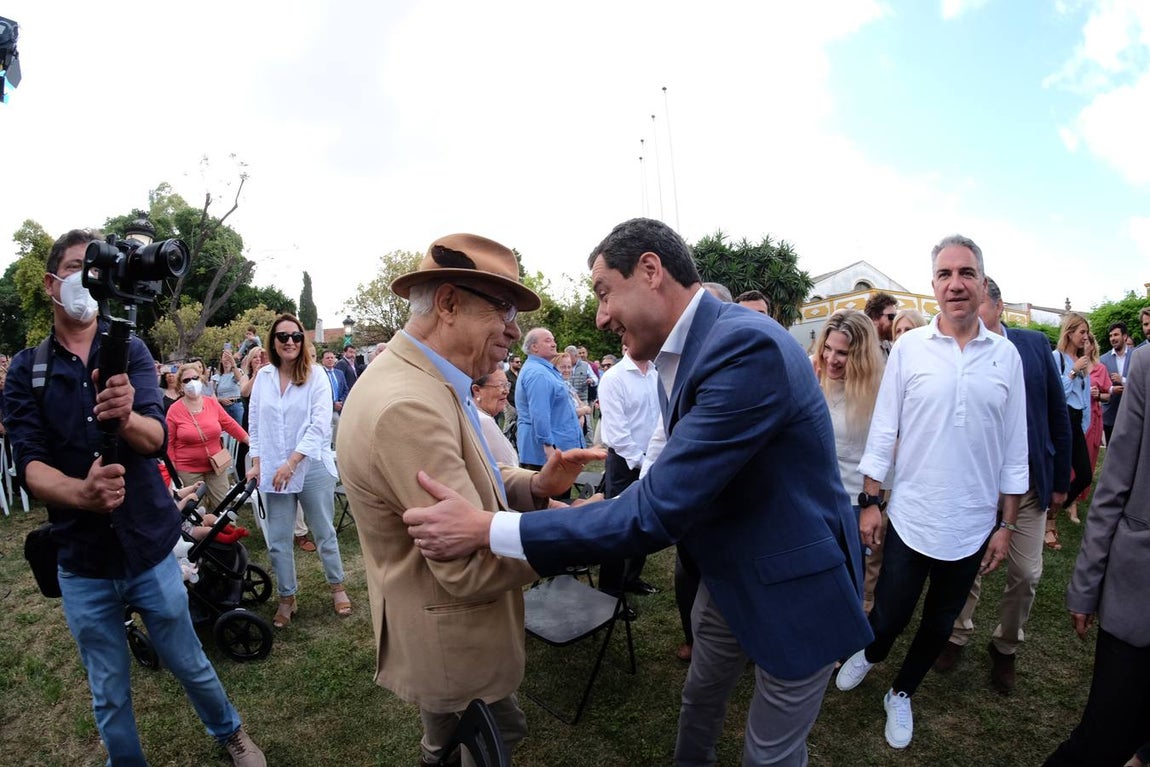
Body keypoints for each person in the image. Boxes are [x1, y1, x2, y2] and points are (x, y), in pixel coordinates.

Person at [403, 217, 872, 766]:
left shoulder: (744, 347)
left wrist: (489, 528)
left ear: (650, 270)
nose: (601, 316)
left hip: (793, 583)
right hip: (729, 574)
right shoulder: (692, 348)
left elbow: (657, 512)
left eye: (604, 293)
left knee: (769, 752)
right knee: (698, 700)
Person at [336, 233, 599, 766]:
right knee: (470, 748)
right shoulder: (407, 404)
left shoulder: (426, 381)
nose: (514, 329)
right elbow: (468, 562)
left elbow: (470, 472)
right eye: (503, 308)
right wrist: (575, 532)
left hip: (451, 631)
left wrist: (533, 485)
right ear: (450, 303)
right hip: (452, 639)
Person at [3, 229, 264, 766]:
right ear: (53, 282)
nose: (87, 277)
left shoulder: (131, 348)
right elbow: (29, 465)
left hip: (147, 547)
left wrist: (125, 417)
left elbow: (156, 439)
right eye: (77, 265)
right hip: (81, 560)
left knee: (188, 659)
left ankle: (232, 734)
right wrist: (82, 492)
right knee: (109, 689)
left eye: (95, 265)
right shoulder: (29, 370)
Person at [836, 235, 1028, 750]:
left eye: (966, 273)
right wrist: (873, 501)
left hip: (970, 524)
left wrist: (1005, 527)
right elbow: (884, 429)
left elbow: (1014, 451)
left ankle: (900, 692)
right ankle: (873, 654)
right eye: (945, 275)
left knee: (941, 620)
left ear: (982, 282)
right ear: (934, 287)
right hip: (913, 515)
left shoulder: (1006, 357)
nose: (956, 284)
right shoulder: (911, 349)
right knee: (891, 613)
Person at [935, 276, 1072, 693]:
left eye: (979, 306)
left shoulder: (1031, 346)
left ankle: (1006, 646)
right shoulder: (956, 348)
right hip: (976, 486)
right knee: (968, 567)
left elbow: (1057, 414)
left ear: (997, 305)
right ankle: (957, 634)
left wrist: (1061, 478)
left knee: (1027, 572)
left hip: (1029, 486)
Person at [1043, 345, 1150, 766]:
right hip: (1140, 600)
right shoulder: (1146, 367)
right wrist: (1085, 586)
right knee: (1101, 740)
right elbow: (1114, 487)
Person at [247, 314, 350, 628]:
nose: (289, 341)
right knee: (278, 540)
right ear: (273, 342)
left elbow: (319, 425)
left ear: (303, 341)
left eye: (295, 336)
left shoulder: (316, 374)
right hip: (274, 469)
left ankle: (338, 587)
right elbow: (254, 424)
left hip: (311, 464)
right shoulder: (263, 377)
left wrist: (292, 463)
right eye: (282, 337)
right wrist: (256, 462)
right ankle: (287, 597)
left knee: (323, 532)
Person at [812, 309, 884, 611]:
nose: (832, 359)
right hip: (812, 496)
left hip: (852, 502)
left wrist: (871, 504)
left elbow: (882, 454)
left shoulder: (877, 392)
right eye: (827, 348)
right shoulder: (813, 376)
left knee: (847, 579)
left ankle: (845, 649)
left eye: (843, 353)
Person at [596, 345, 661, 600]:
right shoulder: (614, 377)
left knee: (644, 521)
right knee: (618, 526)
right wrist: (642, 462)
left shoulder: (656, 373)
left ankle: (631, 578)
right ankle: (610, 591)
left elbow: (661, 418)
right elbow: (618, 432)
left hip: (651, 458)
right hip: (625, 462)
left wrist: (654, 459)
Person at [166, 362, 249, 509]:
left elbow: (230, 424)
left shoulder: (212, 403)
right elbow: (169, 444)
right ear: (180, 385)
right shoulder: (174, 410)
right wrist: (172, 473)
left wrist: (250, 442)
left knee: (224, 506)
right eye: (186, 380)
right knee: (196, 511)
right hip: (187, 469)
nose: (192, 382)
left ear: (202, 379)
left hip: (216, 465)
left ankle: (229, 532)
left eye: (195, 378)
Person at [1048, 312, 1094, 549]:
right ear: (1069, 333)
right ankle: (1049, 526)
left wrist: (1085, 424)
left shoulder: (1082, 360)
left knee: (1085, 474)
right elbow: (1055, 393)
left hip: (1075, 423)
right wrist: (1073, 371)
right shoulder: (1057, 358)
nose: (1086, 337)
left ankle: (1055, 508)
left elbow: (1085, 395)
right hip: (1060, 421)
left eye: (1087, 333)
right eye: (1082, 332)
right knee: (1059, 476)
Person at [515, 327, 585, 469]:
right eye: (548, 341)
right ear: (534, 347)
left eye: (553, 340)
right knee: (552, 491)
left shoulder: (544, 370)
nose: (554, 344)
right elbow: (539, 413)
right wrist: (548, 446)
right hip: (546, 455)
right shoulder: (538, 373)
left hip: (556, 450)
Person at [1072, 330, 1110, 521]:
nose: (1086, 344)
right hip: (1075, 417)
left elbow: (1108, 394)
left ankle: (1075, 502)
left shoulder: (1100, 369)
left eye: (1089, 342)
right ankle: (1068, 502)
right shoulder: (1074, 363)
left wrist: (1098, 395)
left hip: (1093, 417)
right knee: (1074, 459)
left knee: (1088, 458)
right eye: (1084, 340)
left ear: (1093, 345)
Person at [471, 367, 517, 466]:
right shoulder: (483, 421)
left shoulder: (477, 415)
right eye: (500, 385)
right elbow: (507, 466)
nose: (506, 391)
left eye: (507, 385)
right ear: (477, 390)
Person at [1100, 321, 1133, 444]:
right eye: (1110, 336)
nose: (1112, 338)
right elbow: (1101, 387)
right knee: (1111, 452)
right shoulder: (1103, 359)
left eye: (1116, 335)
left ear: (1124, 336)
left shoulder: (1136, 355)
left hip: (1131, 413)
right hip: (1110, 415)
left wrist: (1123, 380)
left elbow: (1141, 383)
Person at [320, 350, 350, 446]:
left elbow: (345, 389)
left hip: (339, 407)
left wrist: (341, 401)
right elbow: (320, 393)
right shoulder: (320, 374)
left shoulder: (339, 373)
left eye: (332, 358)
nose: (330, 360)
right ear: (322, 361)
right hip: (326, 409)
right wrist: (333, 404)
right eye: (327, 358)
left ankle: (336, 448)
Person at [211, 349, 246, 426]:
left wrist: (233, 363)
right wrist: (220, 400)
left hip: (236, 406)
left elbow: (239, 379)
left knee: (239, 430)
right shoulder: (215, 377)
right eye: (224, 357)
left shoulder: (238, 371)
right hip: (222, 408)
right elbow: (210, 395)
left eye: (229, 357)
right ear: (221, 360)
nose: (227, 359)